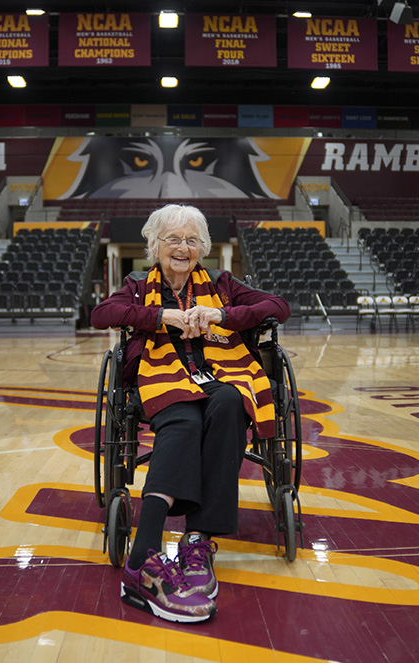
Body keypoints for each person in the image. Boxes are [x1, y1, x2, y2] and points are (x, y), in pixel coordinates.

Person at [90, 203, 290, 623]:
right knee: (183, 416)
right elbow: (101, 314)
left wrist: (223, 314)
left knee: (232, 402)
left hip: (218, 377)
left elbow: (278, 305)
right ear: (155, 245)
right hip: (161, 380)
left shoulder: (221, 283)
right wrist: (161, 316)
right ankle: (145, 555)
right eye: (173, 239)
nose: (182, 248)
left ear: (203, 247)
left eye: (191, 240)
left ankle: (197, 539)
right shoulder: (137, 285)